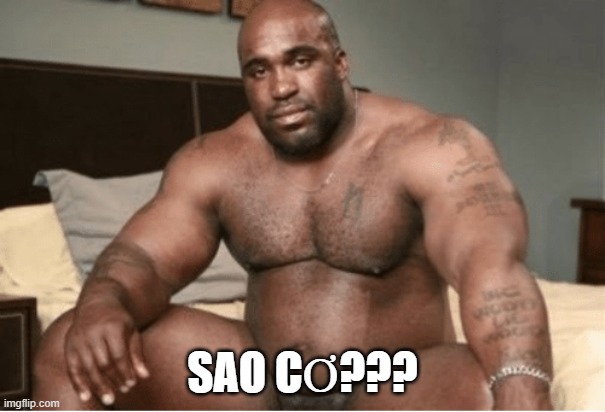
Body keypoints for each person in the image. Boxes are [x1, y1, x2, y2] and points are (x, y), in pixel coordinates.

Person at [33, 0, 554, 409]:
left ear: (341, 63)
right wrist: (104, 305)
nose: (280, 87)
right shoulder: (216, 161)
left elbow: (490, 266)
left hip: (394, 383)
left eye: (299, 61)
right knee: (70, 342)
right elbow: (142, 260)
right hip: (258, 381)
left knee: (490, 388)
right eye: (258, 71)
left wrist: (523, 385)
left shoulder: (433, 146)